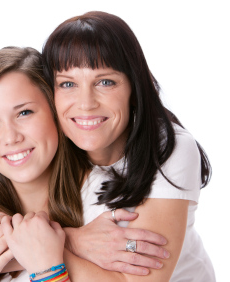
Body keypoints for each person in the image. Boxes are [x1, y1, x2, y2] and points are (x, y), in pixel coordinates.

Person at [0, 46, 170, 282]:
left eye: (24, 113)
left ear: (55, 110)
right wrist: (71, 241)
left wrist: (46, 261)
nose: (11, 137)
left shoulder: (109, 202)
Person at [38, 11, 215, 281]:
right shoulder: (42, 147)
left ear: (134, 87)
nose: (86, 103)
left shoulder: (170, 147)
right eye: (68, 84)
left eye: (105, 82)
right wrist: (74, 241)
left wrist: (48, 247)